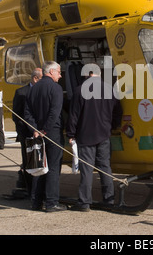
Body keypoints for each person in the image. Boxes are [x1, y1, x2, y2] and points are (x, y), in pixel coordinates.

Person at [66, 64, 122, 212]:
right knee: (105, 167)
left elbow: (74, 116)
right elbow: (118, 111)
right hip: (104, 134)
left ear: (89, 74)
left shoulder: (80, 90)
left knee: (87, 169)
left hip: (85, 135)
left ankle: (84, 202)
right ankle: (109, 199)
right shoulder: (110, 89)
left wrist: (70, 134)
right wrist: (113, 126)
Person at [24, 61, 66, 212]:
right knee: (53, 168)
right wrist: (45, 130)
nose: (60, 76)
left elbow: (27, 113)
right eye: (59, 72)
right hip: (52, 132)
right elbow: (55, 113)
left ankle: (36, 202)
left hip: (37, 133)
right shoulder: (56, 88)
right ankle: (51, 202)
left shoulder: (33, 89)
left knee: (39, 167)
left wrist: (35, 129)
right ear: (52, 71)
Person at [12, 68, 43, 193]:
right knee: (29, 161)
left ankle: (40, 189)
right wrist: (27, 131)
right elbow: (16, 116)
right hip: (27, 135)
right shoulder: (21, 92)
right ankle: (30, 189)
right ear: (35, 78)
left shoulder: (43, 91)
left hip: (41, 133)